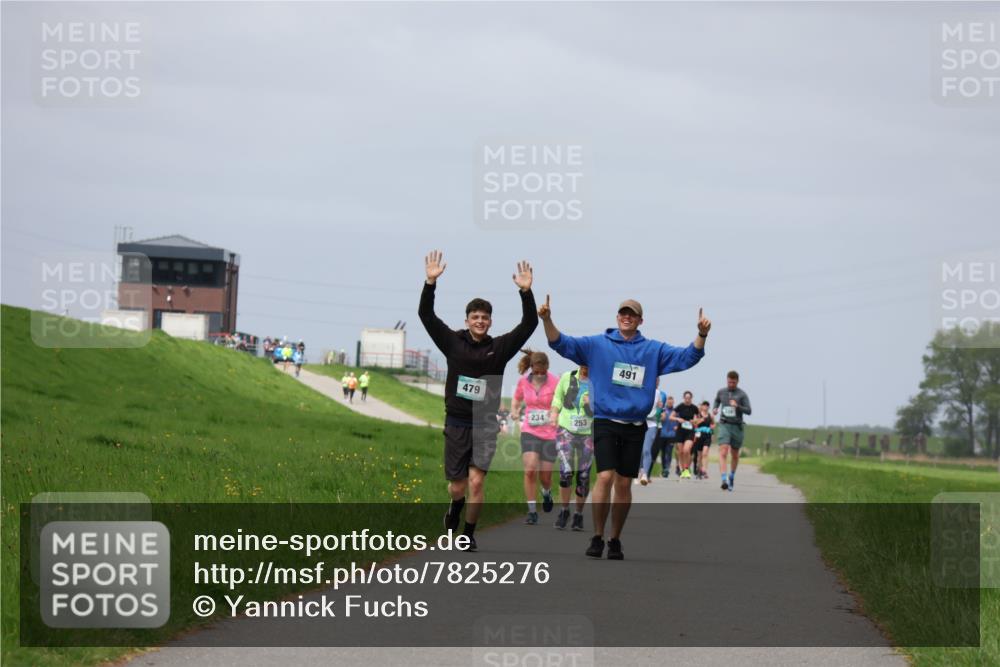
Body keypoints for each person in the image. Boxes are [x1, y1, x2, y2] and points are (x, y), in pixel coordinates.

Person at [540, 295, 710, 560]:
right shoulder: (598, 344)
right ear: (617, 317)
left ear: (640, 320)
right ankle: (597, 536)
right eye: (622, 313)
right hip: (605, 420)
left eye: (632, 314)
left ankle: (615, 539)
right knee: (605, 476)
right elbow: (560, 343)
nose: (626, 317)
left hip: (635, 425)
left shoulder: (653, 350)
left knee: (623, 484)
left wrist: (701, 334)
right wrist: (547, 319)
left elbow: (687, 357)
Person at [419, 250, 538, 552]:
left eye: (485, 317)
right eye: (475, 317)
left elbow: (528, 325)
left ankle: (468, 534)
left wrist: (526, 292)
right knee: (458, 487)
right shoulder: (452, 342)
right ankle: (454, 510)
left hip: (485, 424)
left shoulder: (500, 348)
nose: (480, 321)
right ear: (467, 320)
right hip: (457, 422)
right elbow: (426, 316)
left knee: (476, 483)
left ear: (490, 321)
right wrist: (430, 283)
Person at [511, 350, 560, 525]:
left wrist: (556, 414)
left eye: (542, 372)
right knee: (530, 469)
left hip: (550, 433)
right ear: (531, 368)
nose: (539, 375)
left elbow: (563, 403)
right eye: (536, 371)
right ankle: (532, 510)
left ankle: (546, 492)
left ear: (547, 367)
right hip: (530, 431)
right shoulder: (523, 382)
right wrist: (514, 410)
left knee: (545, 477)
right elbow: (516, 399)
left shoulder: (556, 382)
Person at [550, 366, 594, 531]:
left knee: (583, 476)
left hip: (588, 432)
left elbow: (607, 402)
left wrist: (593, 403)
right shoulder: (567, 377)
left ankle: (578, 515)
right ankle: (564, 511)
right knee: (566, 472)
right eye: (583, 365)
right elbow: (557, 398)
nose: (585, 369)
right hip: (565, 429)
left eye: (589, 365)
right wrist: (554, 412)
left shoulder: (598, 381)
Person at [714, 370, 752, 492]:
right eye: (729, 382)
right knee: (723, 451)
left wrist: (738, 406)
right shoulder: (721, 392)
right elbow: (717, 400)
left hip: (737, 426)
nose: (731, 384)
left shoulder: (742, 395)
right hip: (724, 424)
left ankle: (731, 476)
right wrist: (715, 408)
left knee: (735, 454)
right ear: (727, 380)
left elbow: (749, 411)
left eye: (733, 383)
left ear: (737, 381)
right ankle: (724, 479)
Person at [637, 381, 666, 486]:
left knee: (646, 449)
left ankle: (645, 474)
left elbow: (659, 411)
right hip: (638, 422)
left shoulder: (659, 393)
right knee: (638, 449)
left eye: (657, 379)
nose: (656, 381)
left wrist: (659, 408)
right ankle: (639, 472)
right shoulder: (640, 390)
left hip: (651, 424)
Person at [648, 395, 677, 478]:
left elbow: (679, 421)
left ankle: (666, 469)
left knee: (669, 452)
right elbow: (658, 418)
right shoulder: (663, 410)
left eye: (671, 402)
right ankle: (662, 468)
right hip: (662, 434)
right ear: (667, 402)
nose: (670, 403)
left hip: (672, 435)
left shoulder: (675, 411)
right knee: (661, 453)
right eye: (669, 401)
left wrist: (677, 427)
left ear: (673, 402)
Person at [672, 391, 699, 479]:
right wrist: (678, 419)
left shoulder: (694, 408)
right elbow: (671, 417)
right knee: (681, 452)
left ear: (691, 398)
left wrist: (694, 421)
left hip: (690, 431)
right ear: (683, 398)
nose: (687, 400)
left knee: (687, 450)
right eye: (686, 398)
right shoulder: (680, 406)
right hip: (680, 431)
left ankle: (686, 469)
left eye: (689, 398)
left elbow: (698, 419)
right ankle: (683, 469)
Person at [694, 401, 715, 479]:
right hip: (699, 435)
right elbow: (695, 423)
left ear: (708, 407)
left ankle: (704, 470)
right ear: (702, 407)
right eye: (704, 405)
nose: (705, 407)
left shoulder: (711, 416)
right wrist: (701, 420)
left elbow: (713, 424)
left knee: (705, 453)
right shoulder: (698, 415)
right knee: (699, 455)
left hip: (707, 436)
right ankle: (699, 470)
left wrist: (712, 430)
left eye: (707, 406)